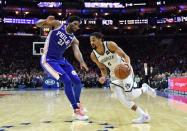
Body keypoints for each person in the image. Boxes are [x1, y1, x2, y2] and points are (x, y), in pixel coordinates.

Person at [90, 32, 156, 124]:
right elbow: (102, 68)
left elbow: (125, 56)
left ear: (100, 39)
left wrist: (127, 65)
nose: (91, 42)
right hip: (114, 75)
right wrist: (103, 77)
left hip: (124, 70)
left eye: (93, 40)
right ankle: (143, 115)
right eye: (90, 41)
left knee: (131, 95)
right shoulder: (93, 55)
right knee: (122, 99)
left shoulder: (110, 45)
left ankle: (145, 88)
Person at [36, 15, 89, 120]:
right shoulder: (58, 25)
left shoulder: (74, 39)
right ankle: (76, 110)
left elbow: (77, 51)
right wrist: (45, 21)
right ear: (69, 22)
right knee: (67, 81)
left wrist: (82, 62)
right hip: (48, 60)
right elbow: (37, 23)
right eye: (75, 24)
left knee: (77, 81)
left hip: (61, 60)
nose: (76, 27)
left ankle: (76, 103)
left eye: (78, 26)